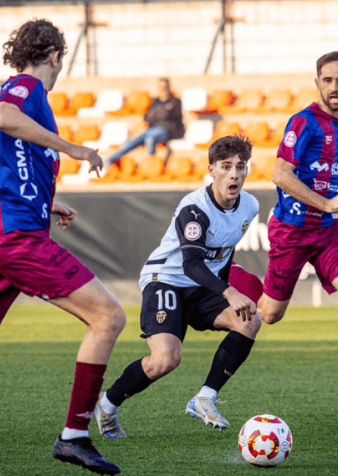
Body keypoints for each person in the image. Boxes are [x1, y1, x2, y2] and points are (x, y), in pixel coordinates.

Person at [0, 20, 126, 475]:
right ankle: (74, 436)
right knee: (108, 316)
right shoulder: (27, 88)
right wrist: (75, 149)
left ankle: (74, 437)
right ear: (56, 55)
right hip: (16, 237)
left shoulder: (14, 91)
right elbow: (2, 119)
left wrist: (45, 199)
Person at [230, 51, 338, 411]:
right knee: (270, 313)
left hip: (328, 230)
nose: (335, 87)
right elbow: (280, 174)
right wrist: (324, 204)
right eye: (327, 80)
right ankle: (224, 274)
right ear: (317, 84)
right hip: (293, 231)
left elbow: (331, 181)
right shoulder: (303, 122)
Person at [94, 135, 260, 437]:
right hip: (166, 281)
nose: (235, 173)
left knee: (249, 321)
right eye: (226, 166)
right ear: (211, 170)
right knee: (166, 360)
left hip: (201, 288)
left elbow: (224, 251)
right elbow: (192, 264)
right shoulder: (194, 209)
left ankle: (205, 398)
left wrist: (226, 284)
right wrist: (230, 291)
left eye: (241, 166)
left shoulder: (249, 206)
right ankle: (107, 403)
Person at [106, 77, 184, 165]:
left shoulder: (175, 102)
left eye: (165, 87)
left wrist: (157, 115)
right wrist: (158, 115)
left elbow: (170, 118)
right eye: (161, 87)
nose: (163, 89)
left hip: (166, 130)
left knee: (150, 139)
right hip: (151, 129)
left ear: (169, 87)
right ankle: (109, 160)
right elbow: (148, 117)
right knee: (132, 142)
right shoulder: (155, 102)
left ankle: (151, 163)